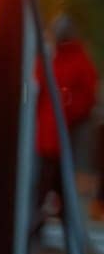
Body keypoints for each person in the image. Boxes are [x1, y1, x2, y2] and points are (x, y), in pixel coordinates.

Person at [35, 15, 97, 222]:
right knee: (48, 187)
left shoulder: (74, 62)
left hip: (60, 139)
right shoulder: (55, 61)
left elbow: (85, 98)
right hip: (50, 141)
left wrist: (69, 111)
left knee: (50, 188)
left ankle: (42, 224)